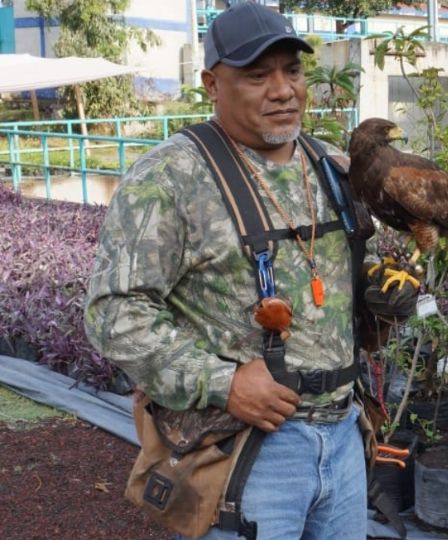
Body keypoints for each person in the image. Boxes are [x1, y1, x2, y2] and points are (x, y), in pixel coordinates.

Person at [85, 3, 412, 539]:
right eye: (257, 76)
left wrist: (379, 289)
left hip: (346, 436)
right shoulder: (170, 178)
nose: (283, 90)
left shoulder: (332, 167)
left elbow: (335, 268)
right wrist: (224, 382)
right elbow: (113, 313)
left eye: (293, 71)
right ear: (213, 84)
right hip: (248, 452)